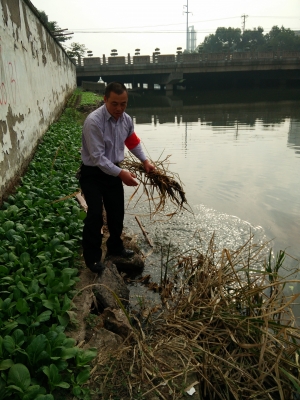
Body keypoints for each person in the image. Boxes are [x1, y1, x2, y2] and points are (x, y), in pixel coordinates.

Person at [79, 82, 155, 273]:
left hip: (113, 171)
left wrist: (145, 161)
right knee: (95, 214)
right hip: (93, 173)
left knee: (116, 213)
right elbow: (97, 158)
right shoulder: (93, 121)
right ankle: (92, 258)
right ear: (105, 100)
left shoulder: (126, 120)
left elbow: (132, 142)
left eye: (123, 104)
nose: (119, 108)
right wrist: (121, 174)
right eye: (114, 104)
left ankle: (115, 247)